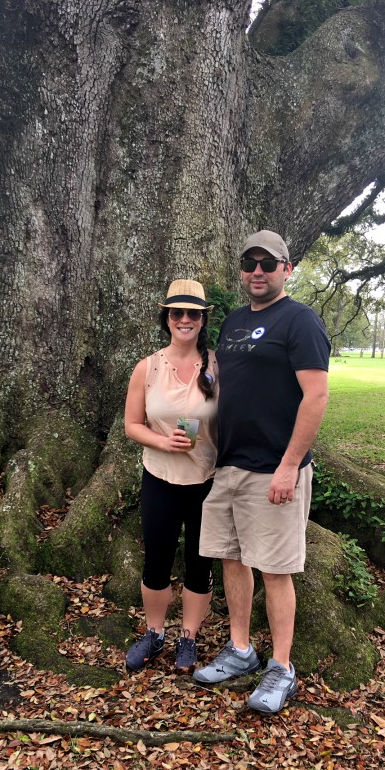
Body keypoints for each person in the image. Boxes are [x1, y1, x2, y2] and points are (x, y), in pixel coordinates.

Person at [194, 230, 330, 714]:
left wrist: (290, 465)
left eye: (268, 264)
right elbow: (224, 383)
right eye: (250, 262)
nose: (257, 271)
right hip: (229, 466)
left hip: (274, 470)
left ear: (287, 269)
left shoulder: (301, 321)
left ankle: (281, 668)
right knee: (232, 560)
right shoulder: (231, 322)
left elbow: (316, 396)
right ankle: (240, 650)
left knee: (275, 570)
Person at [124, 279, 218, 671]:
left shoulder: (218, 364)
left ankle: (189, 638)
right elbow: (132, 424)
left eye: (192, 313)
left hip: (208, 481)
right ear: (166, 318)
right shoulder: (147, 367)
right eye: (176, 312)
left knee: (199, 563)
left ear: (201, 319)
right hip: (159, 477)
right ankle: (155, 633)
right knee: (157, 560)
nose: (184, 319)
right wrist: (163, 443)